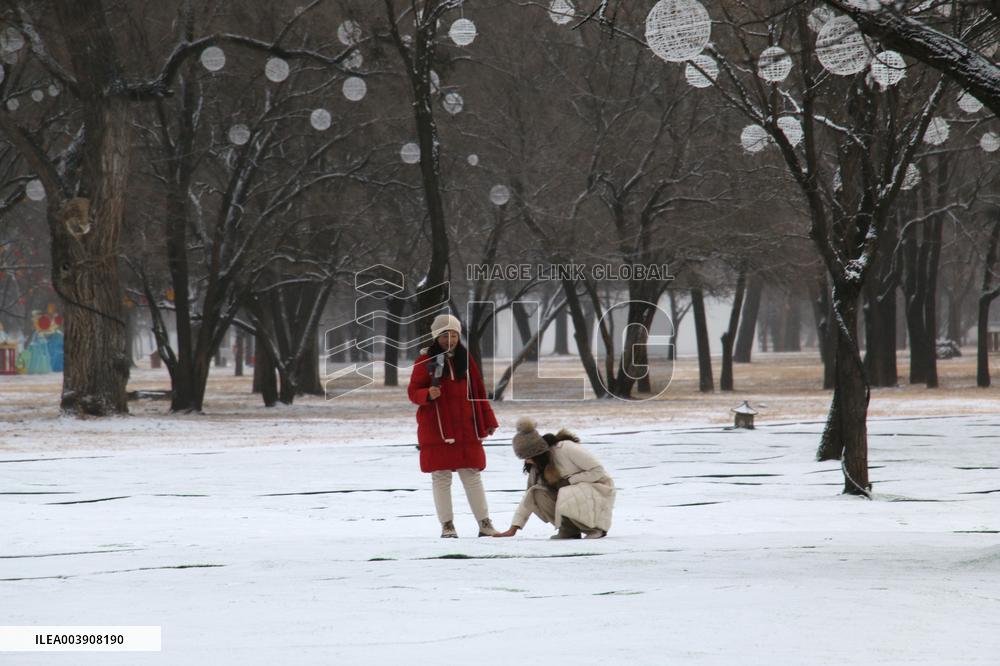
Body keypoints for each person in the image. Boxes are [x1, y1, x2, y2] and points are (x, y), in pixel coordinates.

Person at [407, 313, 500, 538]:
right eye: (444, 335)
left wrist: (488, 420)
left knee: (472, 475)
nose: (450, 340)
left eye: (454, 335)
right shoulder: (425, 361)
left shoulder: (466, 361)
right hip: (437, 429)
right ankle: (447, 525)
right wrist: (427, 393)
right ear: (436, 337)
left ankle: (485, 523)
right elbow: (413, 392)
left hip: (466, 428)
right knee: (441, 477)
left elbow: (478, 392)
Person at [494, 417, 615, 539]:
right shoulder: (538, 466)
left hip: (597, 489)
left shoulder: (566, 448)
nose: (527, 461)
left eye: (527, 457)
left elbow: (598, 471)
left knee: (566, 492)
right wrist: (513, 528)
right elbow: (528, 497)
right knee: (537, 493)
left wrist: (569, 481)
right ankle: (568, 530)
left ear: (537, 454)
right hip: (571, 495)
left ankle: (595, 529)